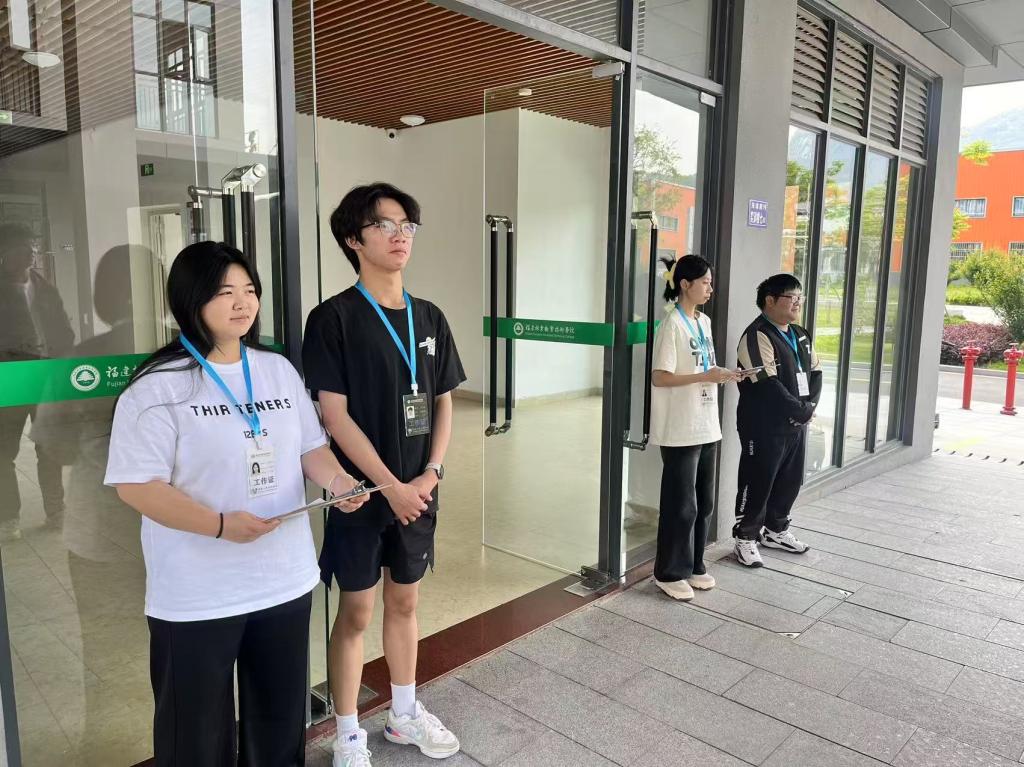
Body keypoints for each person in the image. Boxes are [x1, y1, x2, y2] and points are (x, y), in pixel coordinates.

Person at [105, 241, 366, 766]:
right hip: (197, 593)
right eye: (225, 292)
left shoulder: (277, 370)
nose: (243, 303)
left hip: (283, 580)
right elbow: (137, 486)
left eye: (249, 290)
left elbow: (310, 448)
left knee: (279, 725)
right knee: (195, 738)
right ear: (191, 301)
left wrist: (338, 481)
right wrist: (220, 525)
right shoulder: (157, 388)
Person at [302, 183, 465, 767]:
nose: (400, 236)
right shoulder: (333, 318)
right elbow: (333, 414)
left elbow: (443, 399)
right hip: (362, 494)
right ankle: (347, 732)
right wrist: (389, 487)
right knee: (357, 612)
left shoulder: (430, 315)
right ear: (353, 239)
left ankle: (403, 713)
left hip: (418, 491)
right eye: (384, 225)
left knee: (405, 602)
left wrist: (431, 473)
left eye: (407, 225)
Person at [650, 255, 738, 601]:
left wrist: (721, 375)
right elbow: (660, 377)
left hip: (706, 424)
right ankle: (669, 572)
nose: (710, 289)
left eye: (710, 282)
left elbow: (704, 366)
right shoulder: (671, 324)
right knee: (681, 505)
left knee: (704, 503)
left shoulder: (704, 321)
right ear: (685, 284)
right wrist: (705, 376)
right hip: (681, 427)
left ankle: (694, 565)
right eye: (705, 282)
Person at [733, 273, 822, 567]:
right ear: (770, 300)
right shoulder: (757, 335)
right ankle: (745, 537)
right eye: (791, 297)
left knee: (790, 479)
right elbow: (766, 385)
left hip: (795, 424)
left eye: (800, 297)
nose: (797, 302)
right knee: (758, 480)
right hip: (763, 426)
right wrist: (800, 411)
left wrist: (807, 409)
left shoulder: (800, 334)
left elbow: (816, 373)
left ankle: (776, 530)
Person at [0, 223, 74, 540]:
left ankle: (56, 512)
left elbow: (64, 330)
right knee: (3, 452)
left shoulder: (45, 288)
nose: (30, 253)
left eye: (32, 247)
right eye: (22, 247)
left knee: (49, 447)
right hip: (10, 378)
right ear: (5, 254)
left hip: (45, 376)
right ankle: (8, 518)